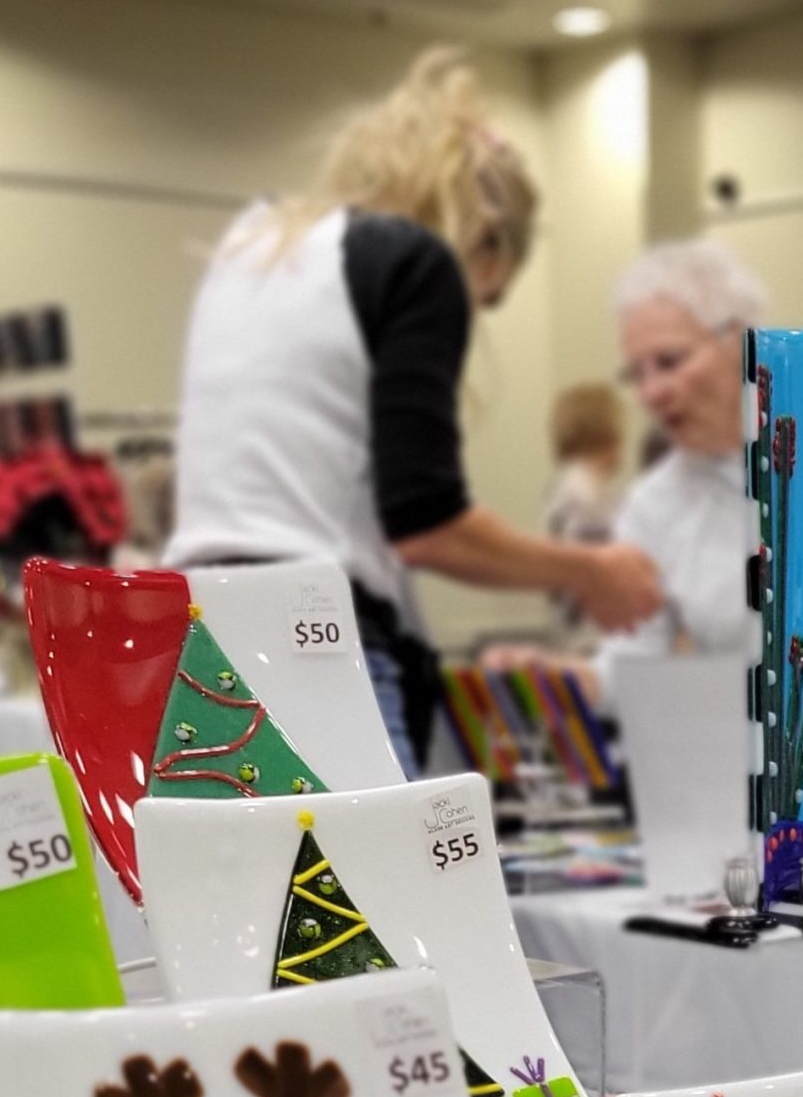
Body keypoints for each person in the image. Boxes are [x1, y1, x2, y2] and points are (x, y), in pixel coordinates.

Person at [167, 47, 664, 772]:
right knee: (373, 852)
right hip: (315, 644)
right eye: (489, 295)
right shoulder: (413, 259)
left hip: (194, 635)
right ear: (483, 243)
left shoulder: (253, 243)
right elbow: (428, 527)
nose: (476, 313)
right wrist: (588, 572)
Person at [607, 237, 767, 657]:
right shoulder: (652, 506)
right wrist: (557, 679)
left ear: (737, 339)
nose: (650, 393)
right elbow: (633, 656)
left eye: (669, 361)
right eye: (637, 374)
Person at [543, 382, 627, 639]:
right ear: (608, 437)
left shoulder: (569, 483)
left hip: (576, 620)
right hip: (591, 626)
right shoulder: (586, 493)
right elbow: (599, 562)